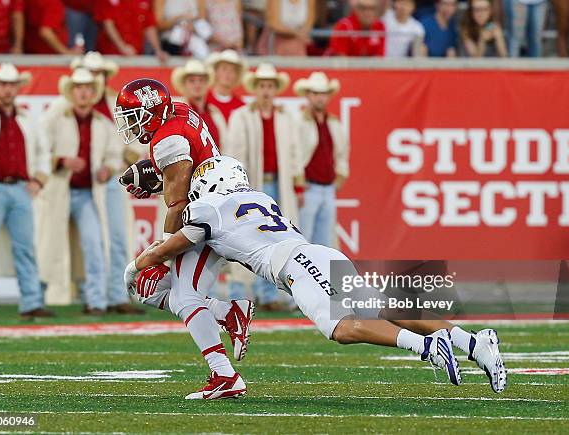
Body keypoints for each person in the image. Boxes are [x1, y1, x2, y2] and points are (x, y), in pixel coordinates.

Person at [127, 155, 509, 395]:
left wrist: (137, 266)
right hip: (319, 253)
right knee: (383, 308)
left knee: (344, 329)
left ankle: (427, 347)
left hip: (297, 265)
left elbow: (169, 246)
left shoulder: (207, 208)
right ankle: (472, 342)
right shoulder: (260, 198)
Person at [114, 78, 254, 400]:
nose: (130, 124)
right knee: (147, 290)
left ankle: (224, 374)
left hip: (206, 219)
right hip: (208, 208)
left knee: (184, 295)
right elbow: (185, 169)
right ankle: (227, 313)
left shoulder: (168, 139)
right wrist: (157, 177)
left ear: (151, 112)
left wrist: (164, 252)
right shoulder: (177, 111)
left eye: (134, 115)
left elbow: (177, 203)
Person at [0, 64, 53, 320]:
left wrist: (39, 180)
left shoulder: (27, 119)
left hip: (20, 188)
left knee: (25, 246)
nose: (6, 89)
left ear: (17, 87)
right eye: (2, 84)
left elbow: (42, 151)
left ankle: (31, 301)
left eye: (10, 84)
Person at [37, 68, 119, 313]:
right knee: (47, 244)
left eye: (87, 88)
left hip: (87, 193)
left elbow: (114, 156)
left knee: (94, 245)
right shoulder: (54, 119)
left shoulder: (103, 124)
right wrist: (61, 161)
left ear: (94, 93)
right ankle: (36, 299)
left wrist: (108, 169)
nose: (83, 93)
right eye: (78, 88)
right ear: (71, 92)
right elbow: (40, 151)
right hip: (58, 191)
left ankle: (96, 300)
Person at [70, 52, 144, 315]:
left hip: (111, 176)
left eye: (98, 73)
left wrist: (120, 159)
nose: (95, 79)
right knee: (94, 241)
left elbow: (135, 141)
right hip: (86, 180)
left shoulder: (117, 104)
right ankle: (97, 296)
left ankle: (116, 294)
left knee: (117, 237)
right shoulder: (72, 106)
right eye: (90, 74)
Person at [226, 63, 305, 309]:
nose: (266, 91)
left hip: (278, 183)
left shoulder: (285, 118)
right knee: (247, 238)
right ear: (256, 89)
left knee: (277, 239)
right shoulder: (242, 115)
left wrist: (297, 181)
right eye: (262, 86)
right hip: (252, 186)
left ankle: (269, 293)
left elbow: (294, 152)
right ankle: (240, 291)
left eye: (270, 86)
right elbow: (235, 152)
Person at [294, 72, 348, 248]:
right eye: (315, 93)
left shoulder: (333, 123)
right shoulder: (299, 121)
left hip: (327, 188)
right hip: (309, 187)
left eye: (323, 94)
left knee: (325, 243)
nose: (319, 98)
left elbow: (342, 151)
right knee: (303, 239)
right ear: (308, 95)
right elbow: (294, 154)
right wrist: (299, 184)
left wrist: (339, 177)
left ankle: (320, 275)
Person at [171, 59, 227, 148]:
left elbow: (226, 144)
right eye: (192, 81)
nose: (197, 84)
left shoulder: (215, 112)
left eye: (201, 80)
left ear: (206, 84)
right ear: (184, 85)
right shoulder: (175, 112)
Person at [94, 0, 166, 62]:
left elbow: (149, 26)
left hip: (136, 54)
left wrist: (158, 50)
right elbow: (108, 24)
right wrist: (122, 47)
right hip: (109, 55)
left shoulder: (145, 1)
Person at [205, 50, 247, 123]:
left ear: (236, 75)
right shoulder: (204, 101)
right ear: (215, 71)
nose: (228, 73)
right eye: (224, 69)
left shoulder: (241, 106)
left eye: (232, 70)